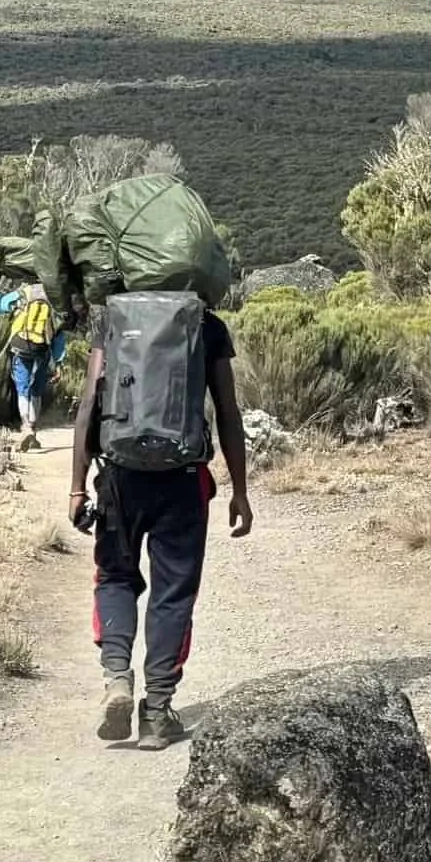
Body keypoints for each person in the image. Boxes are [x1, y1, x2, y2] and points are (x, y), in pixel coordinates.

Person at [66, 303, 253, 750]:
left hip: (120, 475)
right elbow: (227, 410)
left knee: (114, 576)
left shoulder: (114, 318)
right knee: (174, 592)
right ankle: (156, 711)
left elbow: (91, 400)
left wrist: (77, 486)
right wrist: (240, 490)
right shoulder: (205, 323)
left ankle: (116, 678)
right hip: (184, 480)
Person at [0, 278, 66, 452]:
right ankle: (33, 432)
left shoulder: (24, 293)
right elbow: (59, 335)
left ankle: (26, 427)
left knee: (22, 389)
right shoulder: (56, 298)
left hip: (20, 346)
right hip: (42, 349)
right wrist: (59, 364)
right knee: (36, 391)